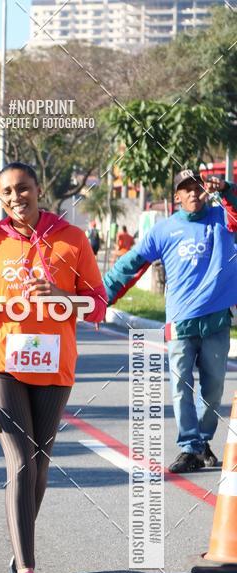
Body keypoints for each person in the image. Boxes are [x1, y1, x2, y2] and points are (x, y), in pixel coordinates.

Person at [0, 161, 106, 573]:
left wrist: (66, 298)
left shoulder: (72, 239)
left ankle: (17, 546)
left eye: (21, 188)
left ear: (38, 189)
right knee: (21, 461)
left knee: (40, 464)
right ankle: (27, 570)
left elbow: (99, 305)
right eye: (6, 191)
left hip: (53, 365)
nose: (14, 197)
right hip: (2, 362)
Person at [105, 168, 237, 473]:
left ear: (206, 191)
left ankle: (202, 441)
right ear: (176, 196)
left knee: (214, 388)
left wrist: (227, 187)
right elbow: (131, 264)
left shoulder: (224, 219)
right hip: (179, 322)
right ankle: (189, 448)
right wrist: (103, 297)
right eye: (185, 189)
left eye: (197, 187)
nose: (193, 193)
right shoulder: (163, 230)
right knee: (181, 387)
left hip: (216, 319)